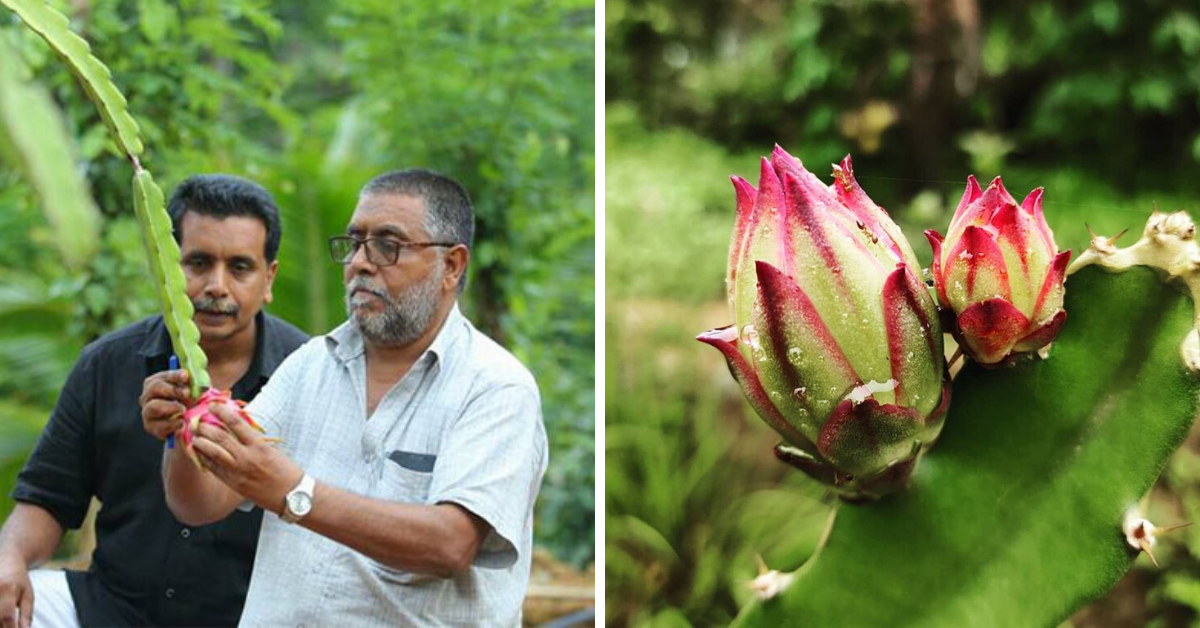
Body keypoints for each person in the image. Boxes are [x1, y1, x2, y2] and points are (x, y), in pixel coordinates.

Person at [141, 169, 548, 626]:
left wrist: (293, 492)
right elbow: (200, 503)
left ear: (451, 265)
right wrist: (182, 433)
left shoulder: (495, 387)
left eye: (387, 245)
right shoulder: (310, 364)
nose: (359, 263)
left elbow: (451, 544)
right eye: (354, 243)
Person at [0, 174, 309, 628]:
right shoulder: (107, 364)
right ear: (168, 268)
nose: (217, 286)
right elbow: (47, 498)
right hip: (107, 611)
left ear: (269, 278)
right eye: (198, 263)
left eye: (240, 268)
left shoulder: (309, 373)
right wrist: (8, 559)